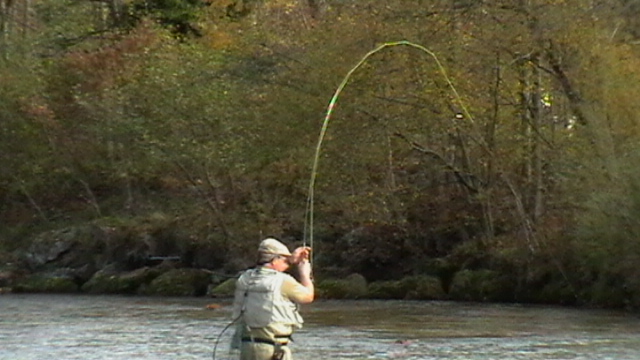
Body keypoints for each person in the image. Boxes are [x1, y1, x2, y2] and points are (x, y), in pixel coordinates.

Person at [231, 238, 314, 360]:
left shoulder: (244, 278)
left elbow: (268, 271)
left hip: (247, 346)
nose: (287, 264)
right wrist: (305, 274)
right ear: (275, 260)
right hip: (273, 349)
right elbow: (308, 297)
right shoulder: (283, 281)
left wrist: (291, 259)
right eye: (285, 260)